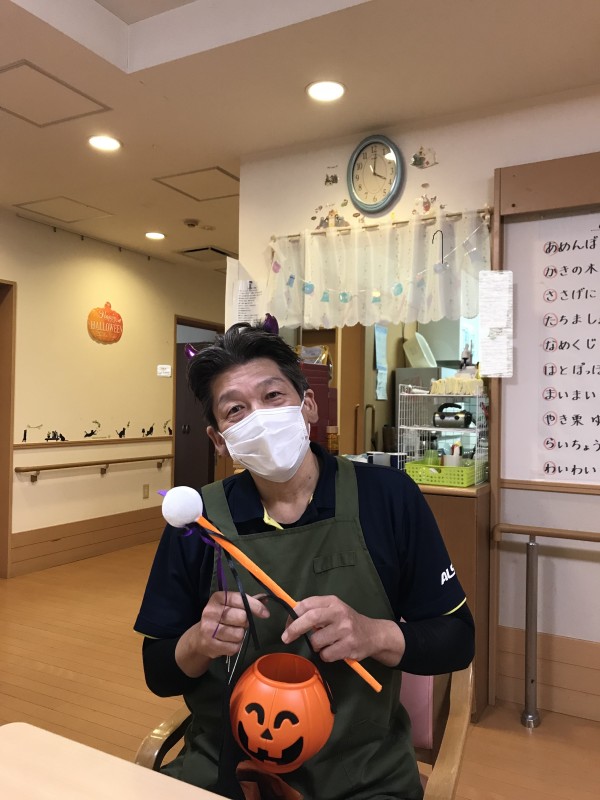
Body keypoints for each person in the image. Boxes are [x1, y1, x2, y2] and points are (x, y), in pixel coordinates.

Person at [134, 322, 474, 800]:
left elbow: (456, 640)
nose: (259, 418)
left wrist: (373, 634)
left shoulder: (387, 498)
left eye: (273, 395)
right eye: (236, 410)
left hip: (364, 778)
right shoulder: (199, 522)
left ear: (308, 405)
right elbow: (158, 672)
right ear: (219, 439)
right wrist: (198, 642)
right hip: (227, 771)